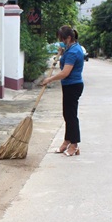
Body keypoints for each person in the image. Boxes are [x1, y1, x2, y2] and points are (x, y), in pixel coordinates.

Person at [41, 25, 84, 156]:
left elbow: (65, 72)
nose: (61, 41)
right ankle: (67, 141)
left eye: (62, 39)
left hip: (73, 85)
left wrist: (50, 79)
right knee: (67, 114)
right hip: (68, 85)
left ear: (69, 38)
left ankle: (74, 145)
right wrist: (62, 51)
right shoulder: (70, 49)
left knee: (71, 116)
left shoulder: (74, 52)